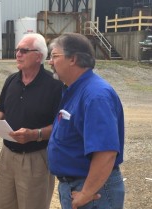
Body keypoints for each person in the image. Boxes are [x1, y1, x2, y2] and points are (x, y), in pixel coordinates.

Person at [0, 33, 63, 209]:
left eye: (24, 50)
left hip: (35, 158)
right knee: (3, 204)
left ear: (39, 56)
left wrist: (34, 135)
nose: (18, 54)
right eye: (17, 50)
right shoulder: (12, 80)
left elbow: (61, 126)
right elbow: (2, 109)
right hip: (7, 155)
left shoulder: (55, 85)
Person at [47, 32, 125, 209]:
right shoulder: (74, 90)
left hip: (94, 193)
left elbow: (106, 152)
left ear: (73, 59)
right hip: (77, 187)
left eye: (54, 56)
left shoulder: (95, 95)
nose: (50, 62)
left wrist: (86, 193)